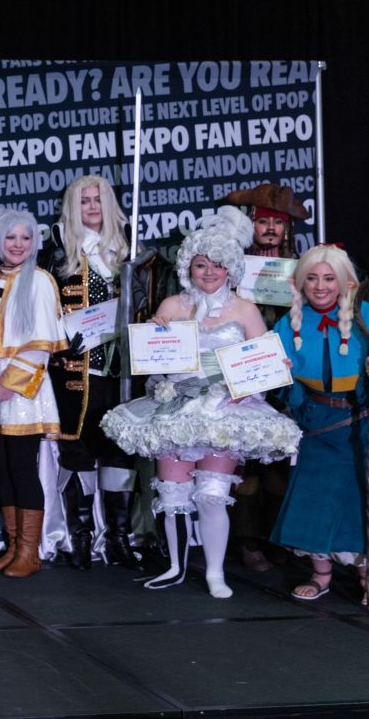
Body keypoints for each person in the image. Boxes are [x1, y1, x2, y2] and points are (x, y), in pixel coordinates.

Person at [101, 208, 301, 598]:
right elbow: (152, 365)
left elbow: (262, 360)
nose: (209, 272)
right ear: (187, 266)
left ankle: (214, 572)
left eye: (218, 265)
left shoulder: (244, 309)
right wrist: (154, 336)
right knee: (172, 495)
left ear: (231, 268)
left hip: (224, 410)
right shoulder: (173, 306)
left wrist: (274, 367)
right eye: (200, 264)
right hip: (176, 409)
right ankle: (175, 566)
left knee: (212, 495)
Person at [40, 177, 143, 570]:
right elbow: (43, 311)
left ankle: (118, 537)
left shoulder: (130, 252)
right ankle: (79, 538)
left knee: (120, 451)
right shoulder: (57, 254)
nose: (91, 206)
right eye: (83, 200)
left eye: (97, 199)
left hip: (121, 373)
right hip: (76, 372)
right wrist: (62, 339)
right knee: (78, 452)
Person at [270, 244, 369, 600]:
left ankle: (365, 575)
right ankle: (321, 575)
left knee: (360, 496)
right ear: (300, 283)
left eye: (329, 278)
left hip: (361, 419)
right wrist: (280, 380)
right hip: (315, 421)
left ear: (345, 281)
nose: (321, 285)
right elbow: (276, 379)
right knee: (314, 496)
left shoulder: (366, 316)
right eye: (311, 278)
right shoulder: (287, 323)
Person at [0, 208, 66, 578]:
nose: (18, 245)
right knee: (1, 469)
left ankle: (31, 550)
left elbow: (40, 344)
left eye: (25, 238)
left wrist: (7, 384)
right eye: (10, 237)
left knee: (22, 468)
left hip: (22, 391)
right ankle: (13, 546)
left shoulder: (40, 281)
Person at [221, 182, 309, 570]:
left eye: (279, 222)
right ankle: (247, 541)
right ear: (251, 225)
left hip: (289, 377)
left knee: (280, 468)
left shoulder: (304, 269)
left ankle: (279, 538)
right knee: (245, 467)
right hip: (245, 372)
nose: (271, 229)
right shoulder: (234, 269)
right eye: (264, 222)